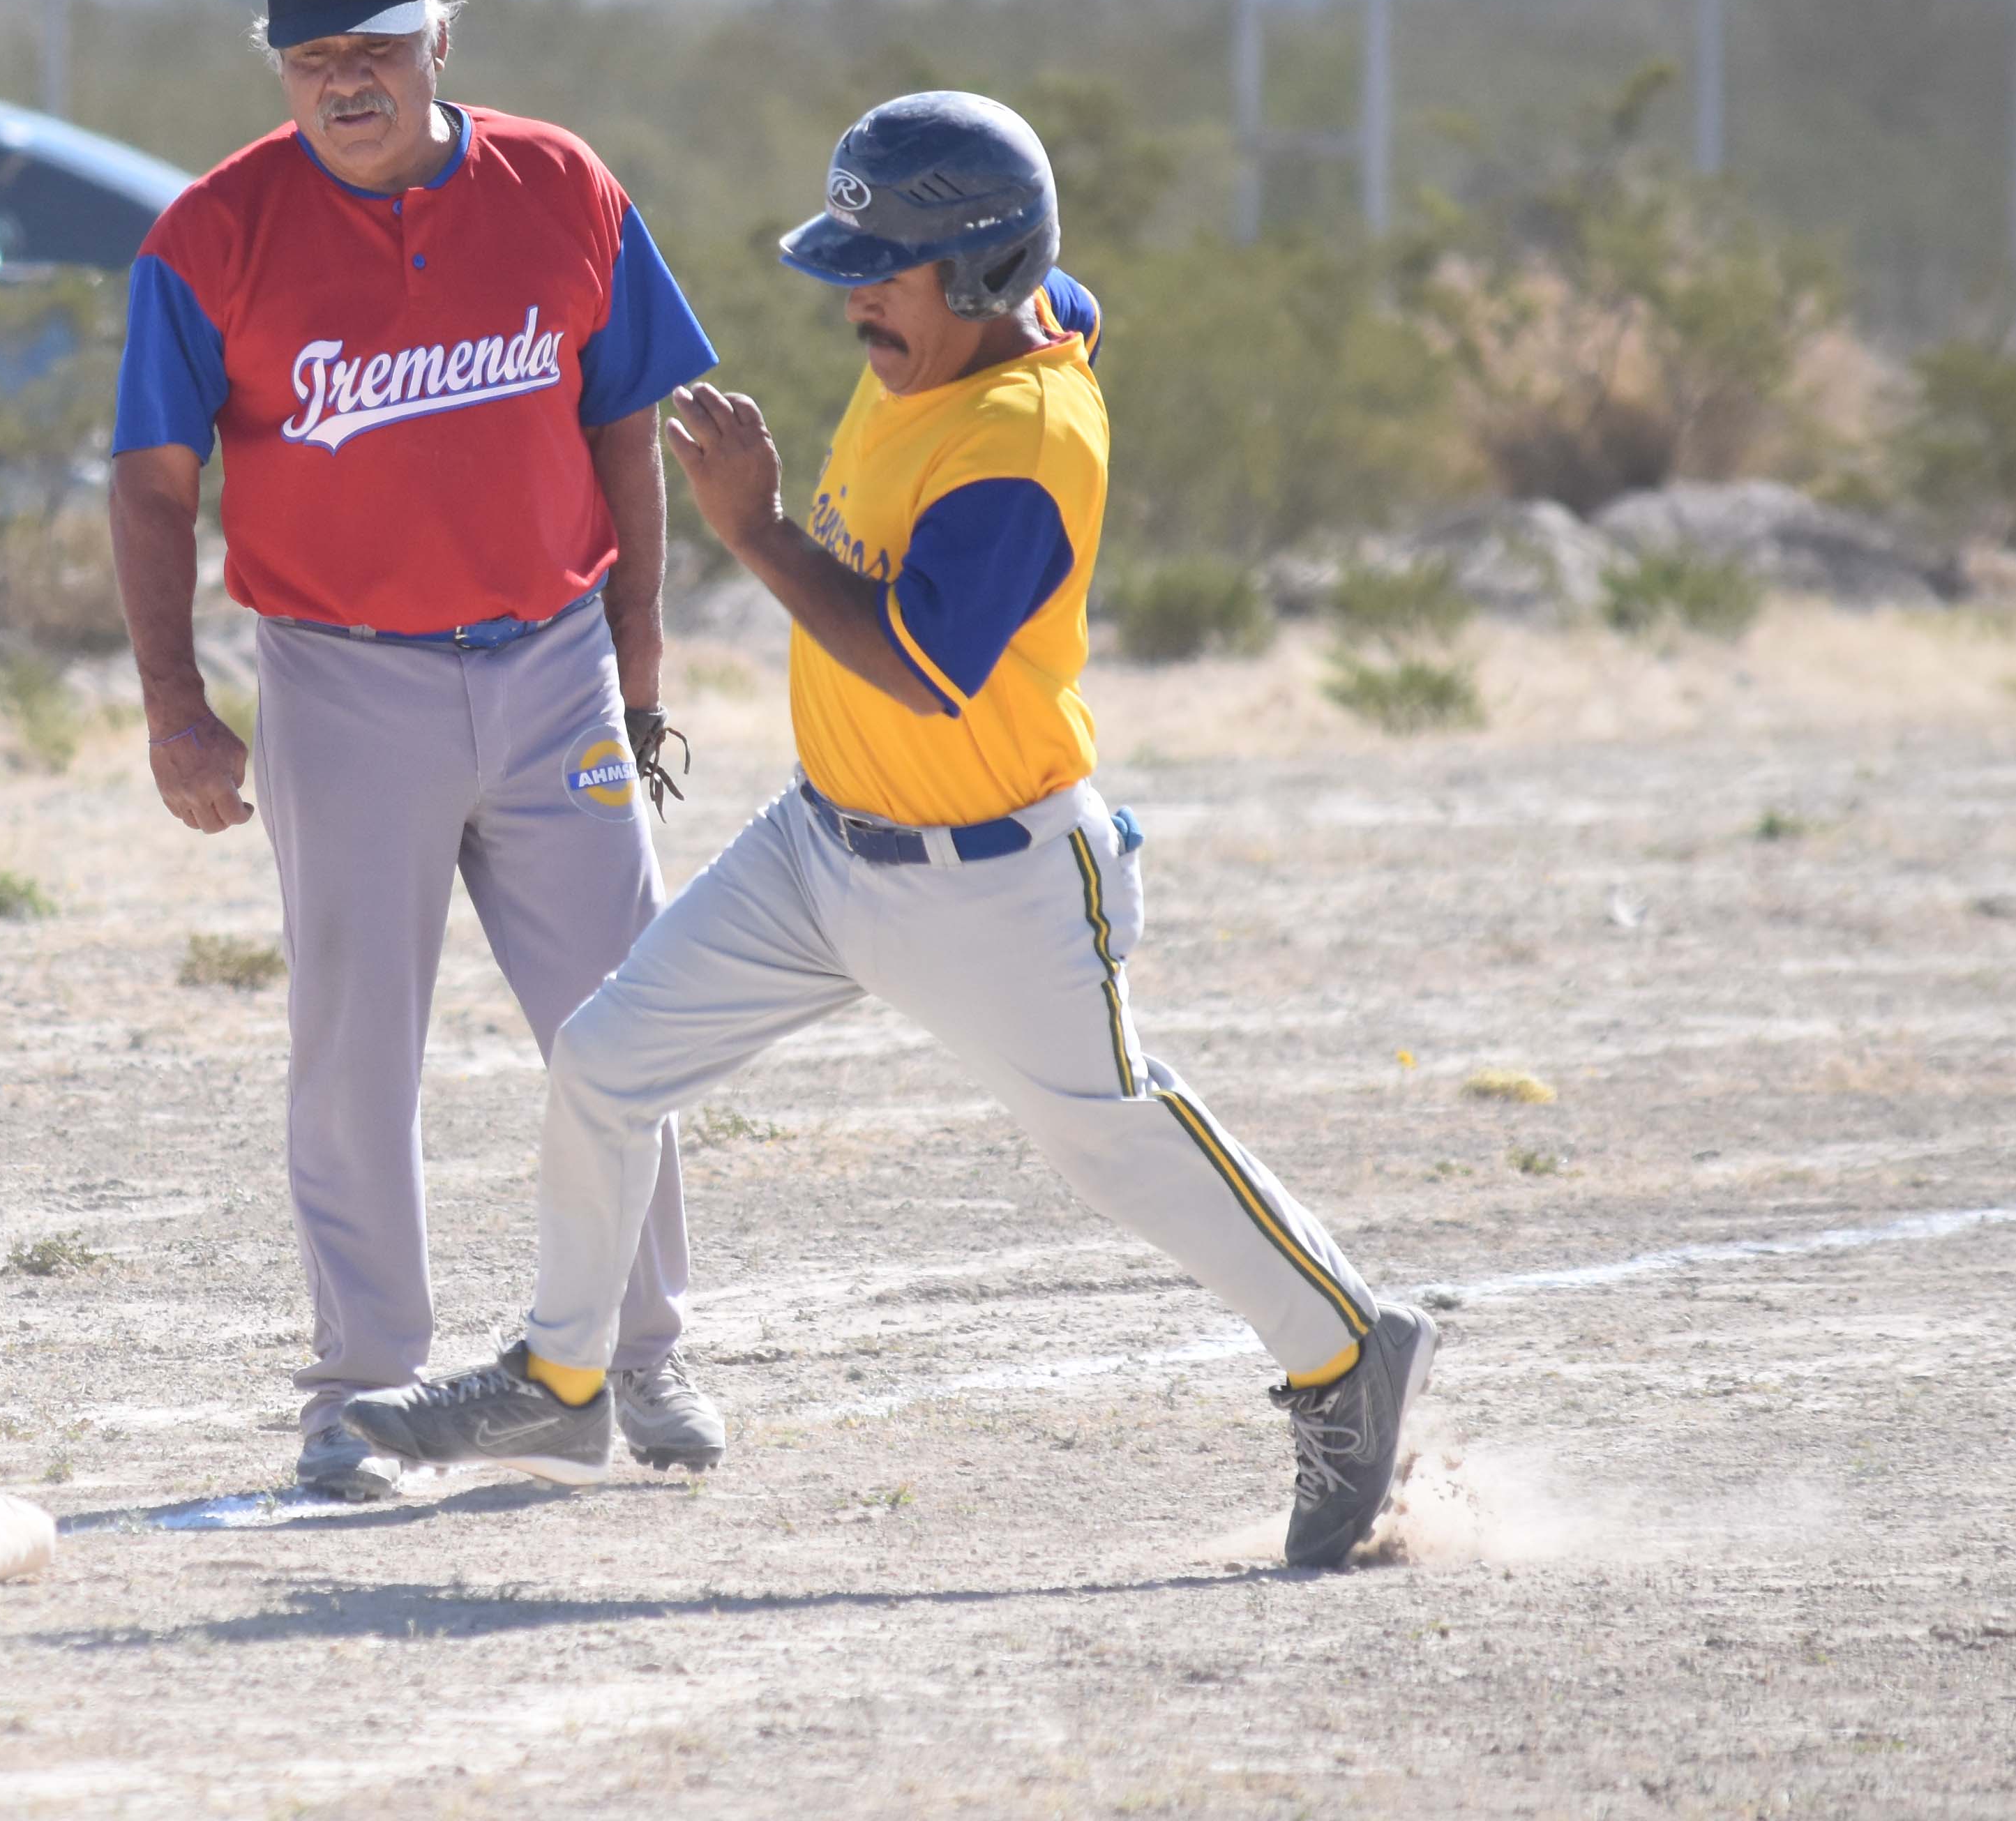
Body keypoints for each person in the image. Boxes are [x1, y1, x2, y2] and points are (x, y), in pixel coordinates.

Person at [345, 91, 1438, 1568]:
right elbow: (1075, 300)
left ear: (985, 278)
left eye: (888, 264)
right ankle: (561, 1378)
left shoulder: (1025, 439)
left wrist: (753, 532)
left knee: (1110, 1137)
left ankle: (1343, 1350)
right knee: (604, 1062)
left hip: (995, 878)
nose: (854, 291)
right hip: (821, 850)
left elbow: (928, 667)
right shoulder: (990, 329)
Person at [109, 0, 729, 1501]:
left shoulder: (562, 187)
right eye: (313, 58)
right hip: (339, 679)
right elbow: (155, 482)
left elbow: (629, 419)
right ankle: (358, 1393)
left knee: (622, 1016)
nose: (347, 81)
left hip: (551, 663)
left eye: (375, 47)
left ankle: (640, 1351)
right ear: (280, 70)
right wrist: (177, 704)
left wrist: (638, 647)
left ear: (436, 39)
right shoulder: (211, 232)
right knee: (352, 1046)